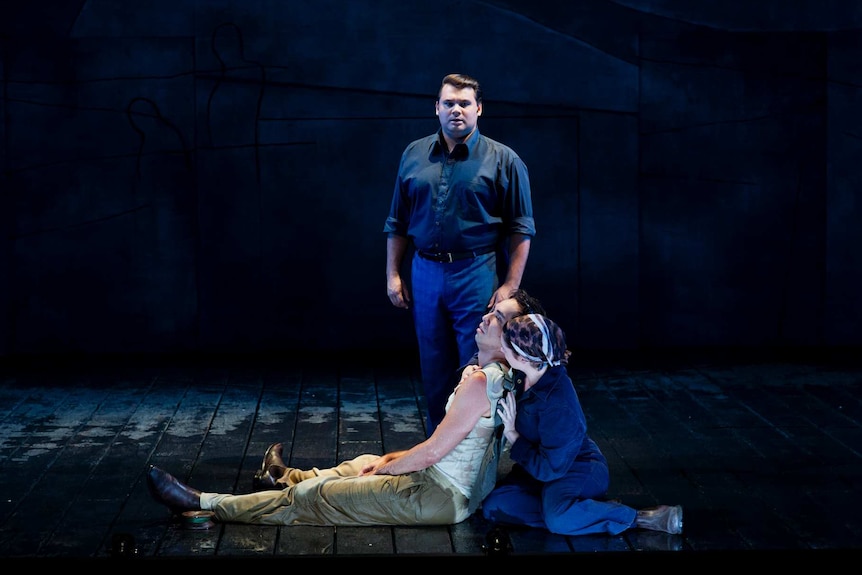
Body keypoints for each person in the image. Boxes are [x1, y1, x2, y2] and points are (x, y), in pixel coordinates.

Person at [146, 291, 537, 527]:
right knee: (365, 460)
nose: (487, 316)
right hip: (443, 486)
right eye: (492, 309)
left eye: (498, 318)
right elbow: (446, 446)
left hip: (440, 495)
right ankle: (280, 476)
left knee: (317, 497)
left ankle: (204, 504)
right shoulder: (495, 375)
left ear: (511, 337)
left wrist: (388, 468)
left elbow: (435, 451)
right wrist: (386, 460)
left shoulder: (481, 382)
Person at [383, 73, 536, 436]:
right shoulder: (414, 154)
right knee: (434, 367)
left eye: (464, 103)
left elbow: (522, 227)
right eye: (449, 103)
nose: (456, 110)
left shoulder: (504, 160)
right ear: (436, 108)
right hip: (425, 273)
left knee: (478, 366)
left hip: (476, 271)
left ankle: (476, 450)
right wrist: (393, 274)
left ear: (478, 109)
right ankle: (437, 451)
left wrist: (511, 285)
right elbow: (396, 221)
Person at [481, 313, 684, 536]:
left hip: (576, 469)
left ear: (524, 358)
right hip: (539, 470)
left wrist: (512, 434)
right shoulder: (527, 373)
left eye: (505, 346)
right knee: (495, 506)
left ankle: (638, 518)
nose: (501, 346)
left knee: (558, 520)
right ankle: (583, 510)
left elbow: (551, 468)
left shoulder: (557, 405)